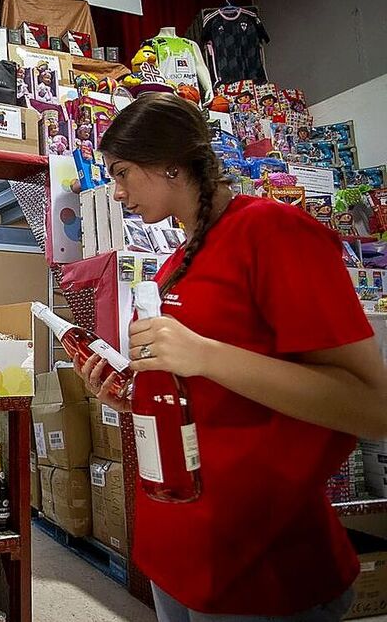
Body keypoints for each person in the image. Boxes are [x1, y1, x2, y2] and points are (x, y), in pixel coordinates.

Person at [76, 92, 387, 622]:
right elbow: (211, 393)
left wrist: (205, 355)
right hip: (181, 544)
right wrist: (135, 398)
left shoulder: (272, 231)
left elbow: (372, 407)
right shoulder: (174, 262)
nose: (118, 190)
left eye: (124, 172)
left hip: (262, 556)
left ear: (172, 163)